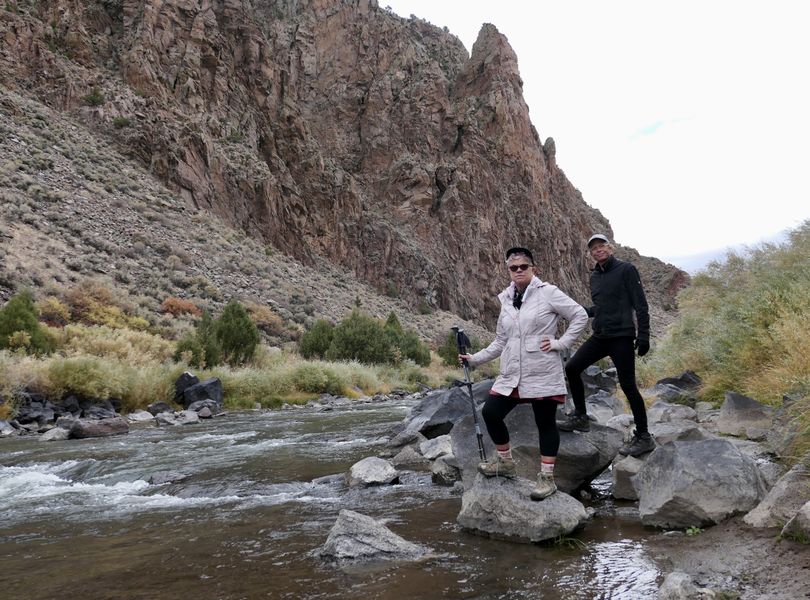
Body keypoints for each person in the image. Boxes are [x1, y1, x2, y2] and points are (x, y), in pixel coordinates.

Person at [459, 247, 588, 500]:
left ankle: (547, 478)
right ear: (508, 270)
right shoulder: (506, 299)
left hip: (542, 369)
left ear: (533, 269)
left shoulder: (548, 293)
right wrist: (474, 359)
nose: (518, 271)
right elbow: (500, 340)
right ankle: (506, 463)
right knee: (491, 412)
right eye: (513, 267)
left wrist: (560, 343)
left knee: (545, 423)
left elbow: (580, 316)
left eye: (523, 267)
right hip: (512, 371)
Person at [559, 233, 655, 456]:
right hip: (601, 335)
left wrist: (644, 336)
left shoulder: (626, 269)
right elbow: (599, 308)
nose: (598, 250)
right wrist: (574, 311)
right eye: (594, 249)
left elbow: (640, 304)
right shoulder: (595, 276)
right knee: (572, 368)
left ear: (610, 248)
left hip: (622, 336)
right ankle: (581, 417)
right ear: (591, 254)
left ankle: (644, 436)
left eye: (602, 246)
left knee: (628, 385)